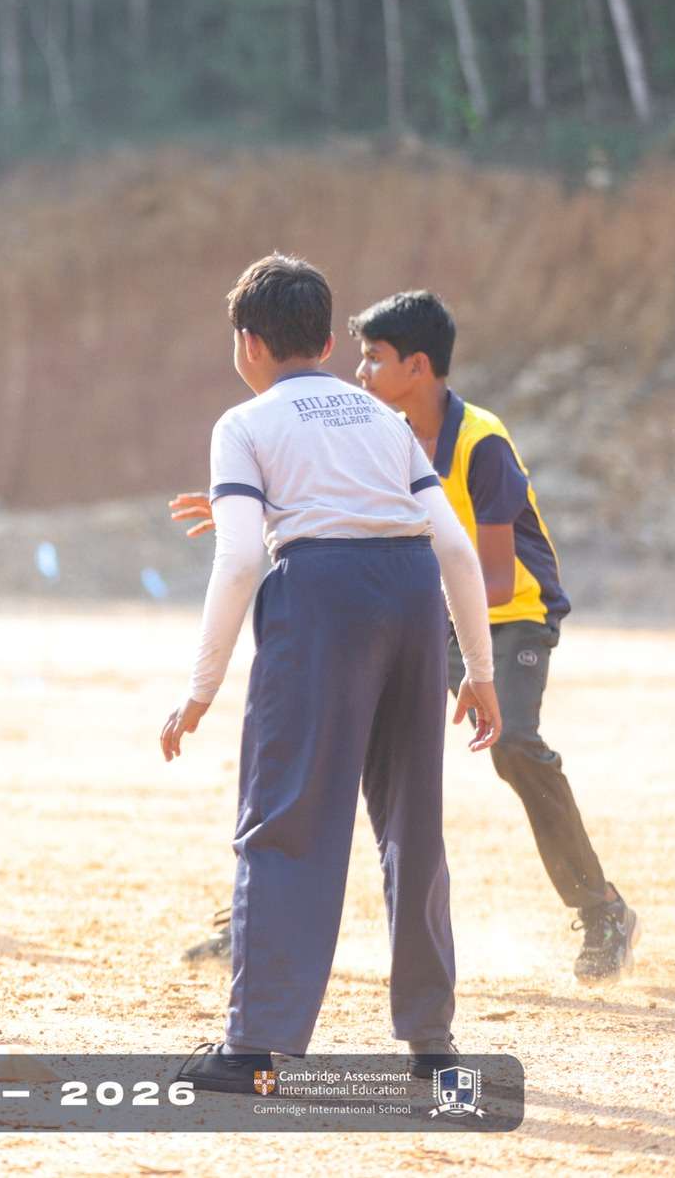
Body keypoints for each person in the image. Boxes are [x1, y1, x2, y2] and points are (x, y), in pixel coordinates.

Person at [162, 255, 502, 1093]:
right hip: (414, 598)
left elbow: (241, 556)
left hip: (320, 599)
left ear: (249, 343)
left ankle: (253, 1048)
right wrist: (481, 669)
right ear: (324, 336)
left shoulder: (244, 423)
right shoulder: (384, 419)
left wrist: (200, 686)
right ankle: (432, 1042)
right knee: (412, 822)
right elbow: (454, 546)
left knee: (285, 819)